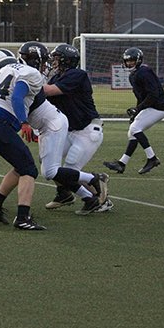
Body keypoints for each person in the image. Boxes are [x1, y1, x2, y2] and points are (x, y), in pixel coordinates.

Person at [0, 49, 48, 231]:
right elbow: (16, 96)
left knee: (20, 166)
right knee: (29, 169)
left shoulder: (4, 71)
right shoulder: (31, 73)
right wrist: (24, 123)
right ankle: (23, 217)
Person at [44, 43, 111, 212]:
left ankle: (100, 194)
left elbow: (49, 91)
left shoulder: (77, 75)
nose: (54, 61)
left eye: (57, 58)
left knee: (70, 170)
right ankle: (64, 194)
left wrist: (28, 82)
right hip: (69, 130)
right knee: (48, 159)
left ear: (66, 60)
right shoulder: (57, 76)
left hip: (87, 130)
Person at [103, 46, 164, 176]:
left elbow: (153, 94)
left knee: (135, 128)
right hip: (151, 106)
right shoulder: (134, 74)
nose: (129, 63)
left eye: (132, 61)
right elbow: (142, 97)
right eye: (127, 61)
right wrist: (137, 112)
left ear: (138, 60)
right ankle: (121, 164)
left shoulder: (144, 72)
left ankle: (152, 158)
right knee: (132, 132)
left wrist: (138, 109)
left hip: (158, 107)